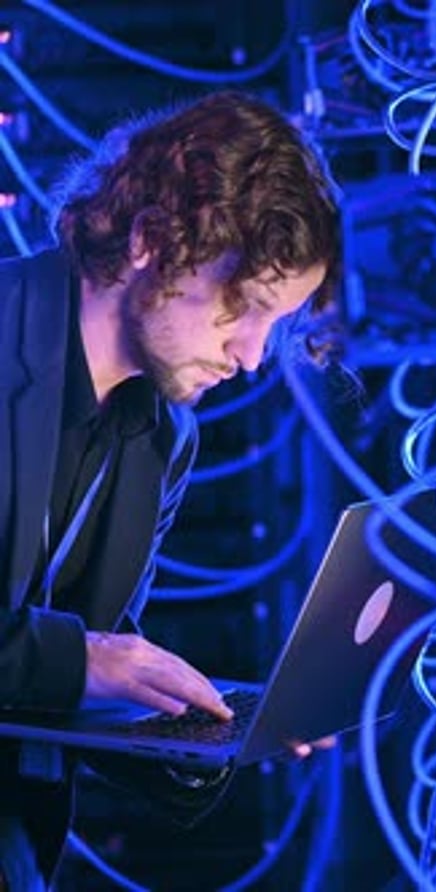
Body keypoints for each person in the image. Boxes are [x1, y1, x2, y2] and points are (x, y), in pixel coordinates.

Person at [0, 89, 341, 889]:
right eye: (243, 307)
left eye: (276, 323)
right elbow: (64, 664)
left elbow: (59, 691)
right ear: (154, 241)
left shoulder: (165, 437)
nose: (253, 356)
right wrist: (83, 664)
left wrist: (209, 728)